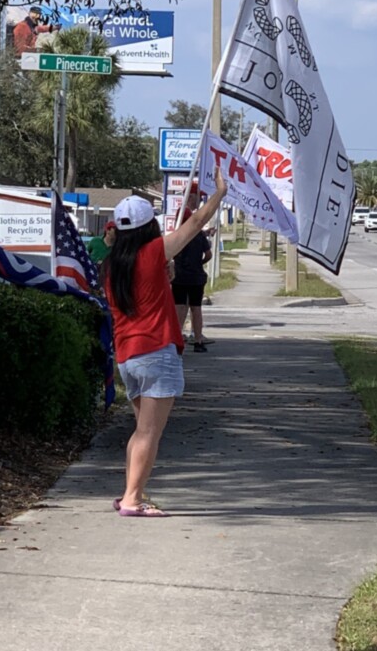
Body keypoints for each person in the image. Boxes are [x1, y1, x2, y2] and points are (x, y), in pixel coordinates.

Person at [103, 171, 227, 518]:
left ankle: (131, 492)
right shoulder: (153, 252)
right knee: (149, 434)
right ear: (148, 228)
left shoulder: (111, 265)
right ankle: (132, 499)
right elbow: (198, 221)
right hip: (156, 352)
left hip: (128, 357)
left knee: (141, 431)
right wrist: (219, 193)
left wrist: (166, 272)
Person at [172, 208, 213, 353]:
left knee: (180, 308)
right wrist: (199, 263)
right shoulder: (199, 235)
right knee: (196, 308)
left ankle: (177, 341)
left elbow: (169, 254)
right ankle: (198, 341)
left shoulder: (176, 235)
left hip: (179, 277)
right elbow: (208, 254)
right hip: (196, 276)